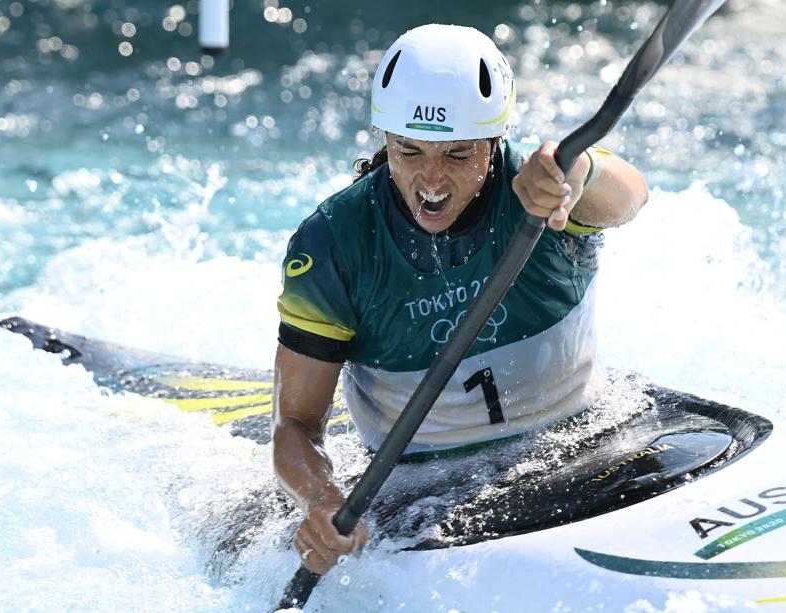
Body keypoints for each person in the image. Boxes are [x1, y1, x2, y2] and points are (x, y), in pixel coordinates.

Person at [271, 24, 648, 575]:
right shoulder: (333, 244)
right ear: (384, 141)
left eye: (457, 155)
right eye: (408, 151)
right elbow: (295, 427)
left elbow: (632, 195)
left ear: (495, 142)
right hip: (423, 489)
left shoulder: (541, 184)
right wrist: (321, 500)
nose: (431, 179)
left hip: (584, 441)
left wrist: (579, 171)